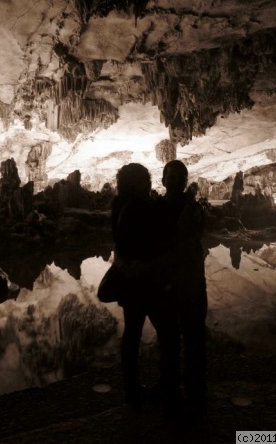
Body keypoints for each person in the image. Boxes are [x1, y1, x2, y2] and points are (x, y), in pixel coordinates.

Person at [111, 163, 180, 406]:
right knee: (169, 334)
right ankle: (168, 387)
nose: (149, 184)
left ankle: (131, 390)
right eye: (145, 180)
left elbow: (118, 243)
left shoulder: (118, 204)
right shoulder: (143, 206)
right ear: (140, 182)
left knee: (131, 334)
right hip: (150, 283)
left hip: (130, 283)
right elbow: (157, 241)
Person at [157, 160, 208, 417]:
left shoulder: (194, 209)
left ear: (186, 182)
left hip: (191, 282)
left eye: (181, 178)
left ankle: (194, 389)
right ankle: (170, 389)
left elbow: (193, 237)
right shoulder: (156, 210)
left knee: (194, 337)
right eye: (172, 177)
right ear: (163, 180)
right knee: (169, 340)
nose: (176, 182)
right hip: (167, 285)